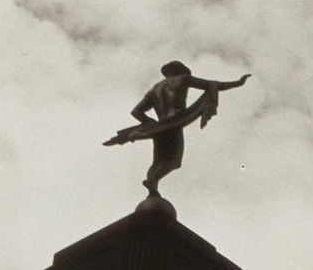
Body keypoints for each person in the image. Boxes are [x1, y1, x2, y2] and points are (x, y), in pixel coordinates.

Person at [105, 62, 250, 195]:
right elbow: (213, 85)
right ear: (180, 70)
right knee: (174, 161)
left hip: (160, 127)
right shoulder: (184, 79)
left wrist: (151, 123)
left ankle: (152, 186)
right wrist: (238, 82)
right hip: (175, 123)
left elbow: (136, 112)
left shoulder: (155, 88)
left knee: (158, 161)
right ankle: (152, 181)